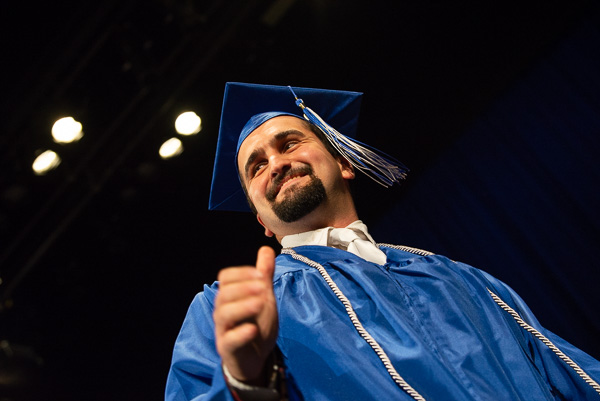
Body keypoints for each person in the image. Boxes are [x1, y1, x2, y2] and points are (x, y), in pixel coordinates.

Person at [165, 82, 600, 400]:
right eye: (256, 166)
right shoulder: (226, 310)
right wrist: (247, 384)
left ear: (344, 161)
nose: (276, 163)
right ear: (260, 219)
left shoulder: (453, 276)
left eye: (290, 143)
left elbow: (572, 374)